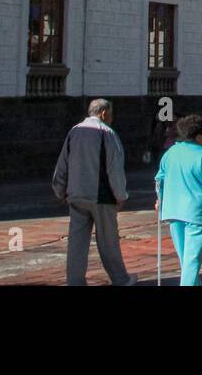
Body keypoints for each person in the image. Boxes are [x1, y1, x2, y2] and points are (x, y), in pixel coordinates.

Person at [52, 98, 136, 286]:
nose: (112, 118)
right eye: (111, 114)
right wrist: (121, 196)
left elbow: (62, 164)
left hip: (76, 194)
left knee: (77, 242)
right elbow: (114, 169)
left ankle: (75, 282)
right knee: (108, 242)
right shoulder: (107, 133)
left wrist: (60, 190)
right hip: (101, 196)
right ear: (104, 113)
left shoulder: (74, 131)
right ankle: (120, 279)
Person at [155, 114, 202, 286]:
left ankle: (195, 283)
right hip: (196, 212)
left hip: (172, 210)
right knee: (192, 258)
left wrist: (160, 199)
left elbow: (159, 179)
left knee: (185, 256)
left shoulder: (170, 153)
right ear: (199, 135)